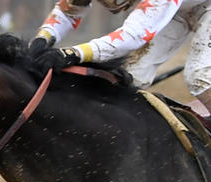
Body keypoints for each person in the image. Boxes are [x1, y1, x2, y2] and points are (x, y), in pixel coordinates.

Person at [31, 0, 211, 110]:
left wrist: (72, 53)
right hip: (180, 9)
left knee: (199, 76)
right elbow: (67, 12)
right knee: (133, 75)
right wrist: (42, 38)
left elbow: (133, 36)